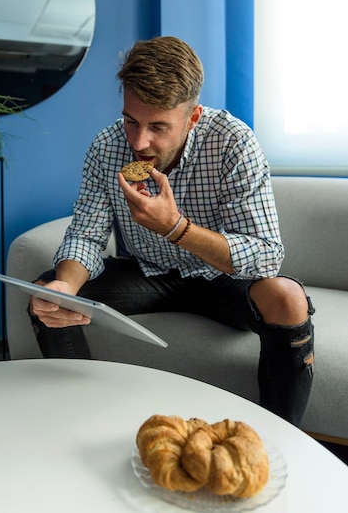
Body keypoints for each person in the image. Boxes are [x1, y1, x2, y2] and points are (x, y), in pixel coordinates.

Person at [29, 35, 315, 427]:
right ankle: (81, 420)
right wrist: (66, 285)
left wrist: (176, 227)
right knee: (47, 291)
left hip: (222, 279)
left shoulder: (233, 143)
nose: (139, 141)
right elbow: (86, 235)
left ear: (192, 117)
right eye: (131, 120)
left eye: (157, 126)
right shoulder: (107, 146)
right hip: (150, 273)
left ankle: (279, 441)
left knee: (288, 297)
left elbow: (266, 254)